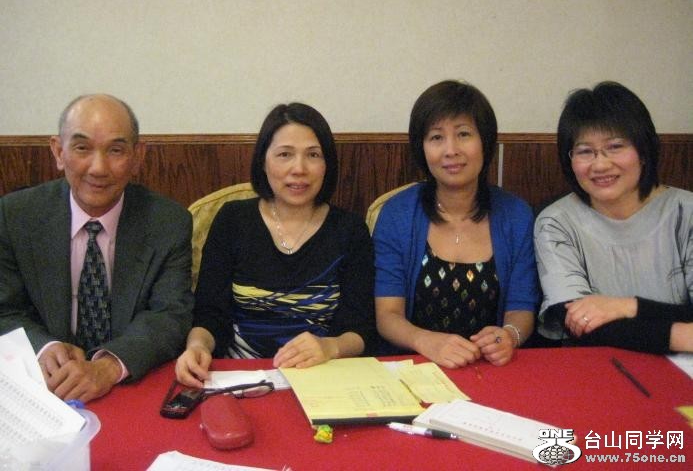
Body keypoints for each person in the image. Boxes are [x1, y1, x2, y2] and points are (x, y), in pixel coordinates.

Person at [0, 94, 193, 402]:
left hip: (129, 387)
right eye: (82, 148)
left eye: (115, 150)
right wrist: (44, 348)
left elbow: (170, 315)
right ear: (58, 151)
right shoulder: (15, 216)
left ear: (138, 156)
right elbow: (5, 309)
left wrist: (108, 366)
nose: (98, 168)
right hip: (44, 389)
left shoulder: (167, 222)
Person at [175, 103, 375, 388]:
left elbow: (361, 328)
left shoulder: (350, 229)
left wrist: (330, 347)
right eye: (285, 154)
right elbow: (209, 313)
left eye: (313, 155)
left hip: (321, 377)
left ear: (327, 164)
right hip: (238, 375)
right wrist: (197, 347)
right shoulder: (233, 220)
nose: (299, 169)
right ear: (263, 161)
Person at [372, 80, 540, 369]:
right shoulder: (398, 214)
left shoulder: (516, 215)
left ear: (485, 142)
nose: (451, 150)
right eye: (436, 137)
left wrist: (509, 336)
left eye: (463, 134)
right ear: (422, 148)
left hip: (490, 368)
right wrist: (426, 342)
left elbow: (521, 308)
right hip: (416, 367)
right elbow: (387, 315)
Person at [534, 81, 693, 353]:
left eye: (616, 146)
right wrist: (683, 335)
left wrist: (627, 306)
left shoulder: (686, 212)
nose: (600, 164)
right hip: (594, 366)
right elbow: (578, 323)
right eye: (585, 151)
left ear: (644, 151)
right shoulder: (556, 222)